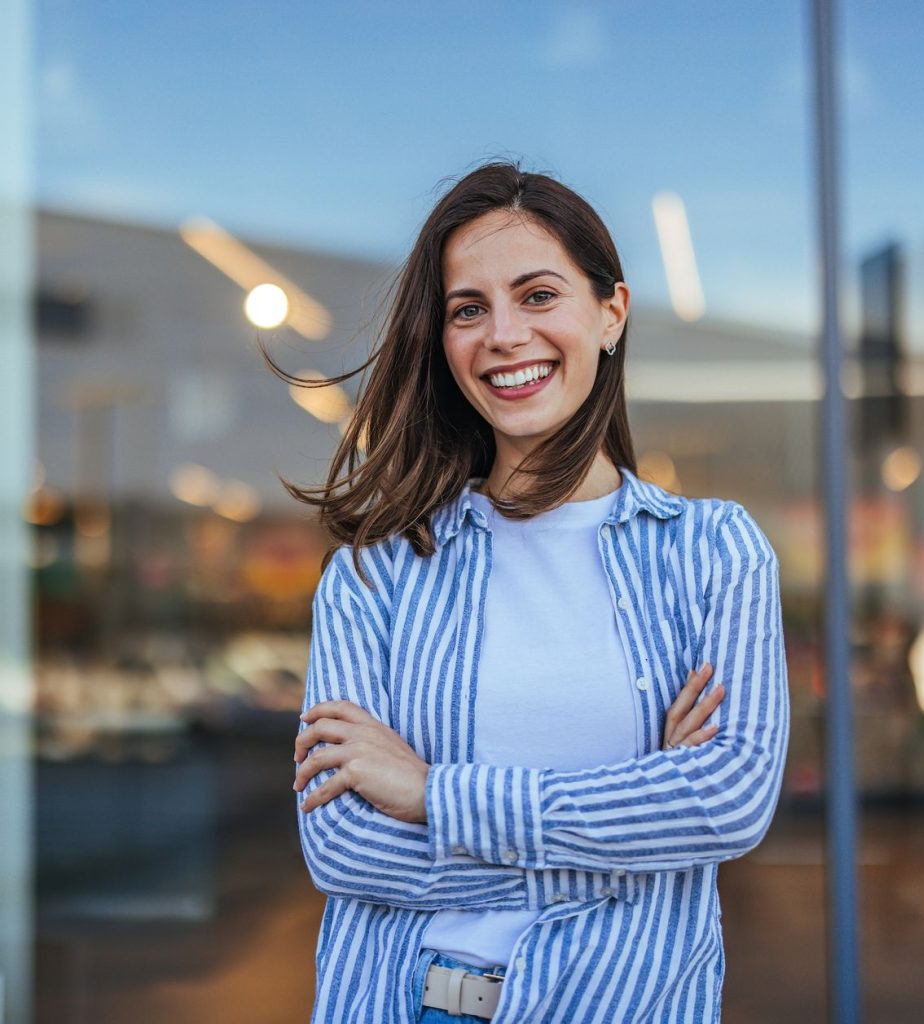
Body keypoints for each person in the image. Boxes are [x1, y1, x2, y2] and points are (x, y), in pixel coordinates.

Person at [283, 159, 790, 1024]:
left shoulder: (714, 552)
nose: (504, 335)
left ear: (611, 313)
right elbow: (343, 847)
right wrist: (638, 824)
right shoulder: (377, 573)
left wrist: (433, 794)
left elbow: (727, 800)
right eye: (468, 309)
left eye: (539, 295)